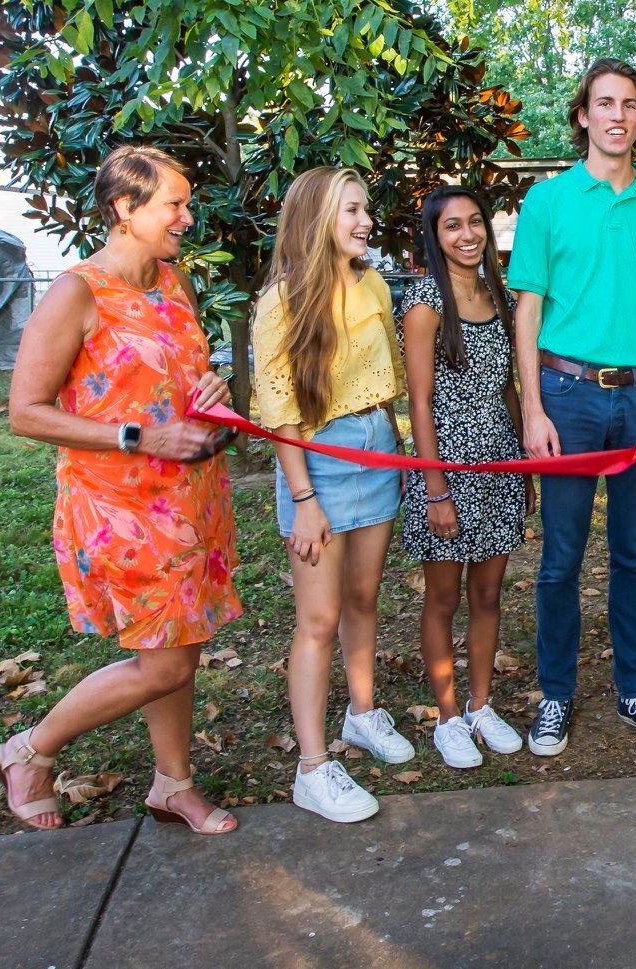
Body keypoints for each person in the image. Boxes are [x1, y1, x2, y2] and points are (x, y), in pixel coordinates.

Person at [0, 145, 240, 834]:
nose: (187, 217)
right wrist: (140, 436)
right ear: (125, 209)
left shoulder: (174, 284)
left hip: (192, 498)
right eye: (174, 204)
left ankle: (173, 783)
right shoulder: (77, 291)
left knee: (177, 648)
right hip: (121, 509)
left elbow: (179, 378)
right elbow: (25, 411)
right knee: (163, 663)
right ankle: (29, 750)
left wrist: (211, 391)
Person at [510, 58, 636, 756]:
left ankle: (634, 691)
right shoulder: (548, 202)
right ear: (583, 116)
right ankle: (555, 695)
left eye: (629, 105)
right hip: (567, 397)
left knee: (633, 555)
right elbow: (526, 312)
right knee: (560, 558)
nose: (616, 115)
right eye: (603, 103)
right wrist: (532, 408)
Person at [253, 166, 412, 822]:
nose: (364, 221)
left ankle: (364, 711)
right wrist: (304, 497)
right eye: (351, 210)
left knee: (363, 598)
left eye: (365, 209)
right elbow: (279, 410)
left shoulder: (369, 281)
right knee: (318, 620)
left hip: (376, 449)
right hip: (317, 461)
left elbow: (389, 375)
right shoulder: (280, 301)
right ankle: (313, 767)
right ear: (318, 217)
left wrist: (396, 450)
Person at [399, 185, 532, 768]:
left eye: (475, 222)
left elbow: (508, 386)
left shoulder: (498, 296)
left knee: (487, 594)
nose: (467, 235)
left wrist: (522, 466)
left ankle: (481, 704)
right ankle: (448, 717)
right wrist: (435, 489)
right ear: (435, 235)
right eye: (453, 226)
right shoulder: (426, 302)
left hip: (499, 463)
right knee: (444, 597)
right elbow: (419, 402)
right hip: (447, 468)